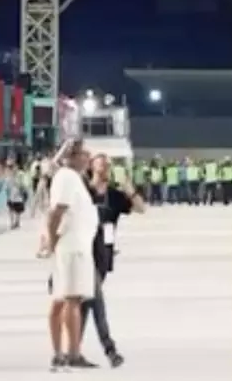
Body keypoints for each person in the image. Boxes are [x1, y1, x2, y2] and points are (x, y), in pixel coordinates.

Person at [82, 154, 145, 368]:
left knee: (87, 301)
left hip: (104, 254)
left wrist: (129, 188)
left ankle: (71, 350)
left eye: (108, 165)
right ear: (92, 167)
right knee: (95, 298)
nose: (105, 168)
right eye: (101, 164)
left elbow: (140, 208)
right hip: (83, 251)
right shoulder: (83, 191)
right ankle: (110, 349)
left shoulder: (114, 195)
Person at [42, 140, 97, 371]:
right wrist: (52, 241)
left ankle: (60, 353)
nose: (88, 158)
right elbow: (56, 212)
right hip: (72, 246)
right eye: (84, 154)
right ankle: (72, 352)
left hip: (75, 245)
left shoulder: (71, 177)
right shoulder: (66, 177)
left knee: (62, 299)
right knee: (71, 299)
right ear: (72, 156)